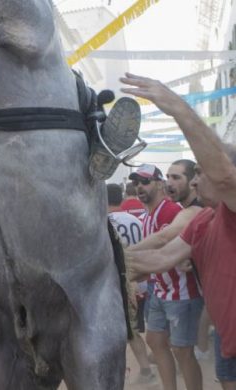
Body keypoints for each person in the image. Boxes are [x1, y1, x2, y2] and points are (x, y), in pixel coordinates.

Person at [122, 73, 236, 389]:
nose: (196, 181)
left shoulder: (230, 212)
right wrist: (96, 263)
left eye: (200, 172)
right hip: (228, 342)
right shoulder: (202, 220)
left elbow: (224, 177)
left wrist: (178, 108)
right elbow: (159, 259)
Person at [128, 163, 203, 390]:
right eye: (136, 183)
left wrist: (123, 259)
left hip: (181, 291)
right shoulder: (148, 215)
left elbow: (164, 244)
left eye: (145, 181)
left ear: (159, 184)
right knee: (156, 341)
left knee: (182, 350)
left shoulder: (170, 211)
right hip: (160, 289)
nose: (139, 187)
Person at [107, 183, 155, 384]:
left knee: (120, 331)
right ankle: (145, 369)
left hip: (118, 282)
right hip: (140, 276)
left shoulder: (106, 221)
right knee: (133, 329)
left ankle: (123, 373)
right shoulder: (135, 219)